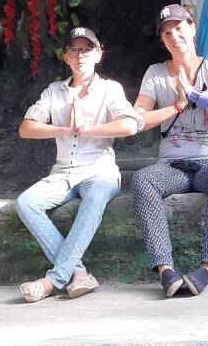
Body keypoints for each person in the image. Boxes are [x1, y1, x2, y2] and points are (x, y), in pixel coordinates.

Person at [131, 3, 208, 297]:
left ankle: (206, 268)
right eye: (166, 33)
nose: (174, 37)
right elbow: (137, 120)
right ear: (162, 41)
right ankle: (166, 270)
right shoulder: (156, 73)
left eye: (179, 28)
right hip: (173, 166)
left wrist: (200, 98)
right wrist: (177, 105)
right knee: (142, 179)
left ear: (192, 28)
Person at [15, 26, 140, 303]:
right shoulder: (54, 91)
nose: (80, 55)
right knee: (26, 203)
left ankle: (53, 281)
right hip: (63, 172)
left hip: (99, 170)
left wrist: (86, 129)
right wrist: (64, 129)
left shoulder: (110, 89)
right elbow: (26, 128)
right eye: (74, 50)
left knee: (93, 200)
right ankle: (79, 274)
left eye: (87, 49)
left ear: (98, 54)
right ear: (65, 57)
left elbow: (130, 125)